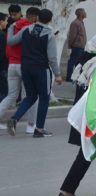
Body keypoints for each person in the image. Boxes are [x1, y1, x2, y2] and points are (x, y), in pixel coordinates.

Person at [58, 34, 96, 196]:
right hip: (93, 115)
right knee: (88, 153)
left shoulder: (86, 61)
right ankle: (67, 192)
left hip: (86, 114)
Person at [6, 9, 63, 137]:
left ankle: (15, 118)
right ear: (50, 20)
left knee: (31, 96)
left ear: (37, 17)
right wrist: (58, 74)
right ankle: (39, 129)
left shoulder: (26, 29)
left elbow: (11, 42)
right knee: (44, 98)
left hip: (26, 68)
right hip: (41, 69)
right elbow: (52, 57)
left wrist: (10, 27)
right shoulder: (49, 34)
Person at [0, 7, 39, 134]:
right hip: (26, 65)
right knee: (31, 96)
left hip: (12, 64)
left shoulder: (11, 27)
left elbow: (8, 46)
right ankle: (31, 125)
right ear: (33, 17)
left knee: (11, 95)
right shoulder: (31, 28)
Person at [66, 8, 87, 81]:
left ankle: (76, 77)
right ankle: (69, 77)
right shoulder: (75, 23)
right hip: (77, 46)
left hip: (81, 46)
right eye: (84, 12)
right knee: (72, 62)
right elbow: (72, 35)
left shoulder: (81, 22)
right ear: (81, 14)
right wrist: (71, 45)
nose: (86, 13)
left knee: (78, 63)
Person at [0, 13, 8, 103]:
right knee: (3, 91)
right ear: (1, 22)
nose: (6, 23)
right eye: (6, 21)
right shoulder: (2, 35)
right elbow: (2, 53)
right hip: (2, 67)